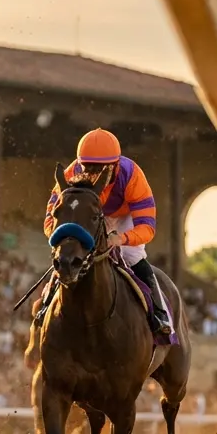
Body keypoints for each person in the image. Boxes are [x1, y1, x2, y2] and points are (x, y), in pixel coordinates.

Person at [40, 127, 174, 335]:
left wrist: (122, 238)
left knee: (133, 255)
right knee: (67, 254)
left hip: (123, 217)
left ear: (115, 165)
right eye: (88, 168)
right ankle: (46, 305)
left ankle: (159, 313)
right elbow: (51, 217)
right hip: (88, 216)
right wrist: (60, 238)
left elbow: (147, 227)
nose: (92, 175)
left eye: (100, 170)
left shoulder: (132, 176)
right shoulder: (71, 174)